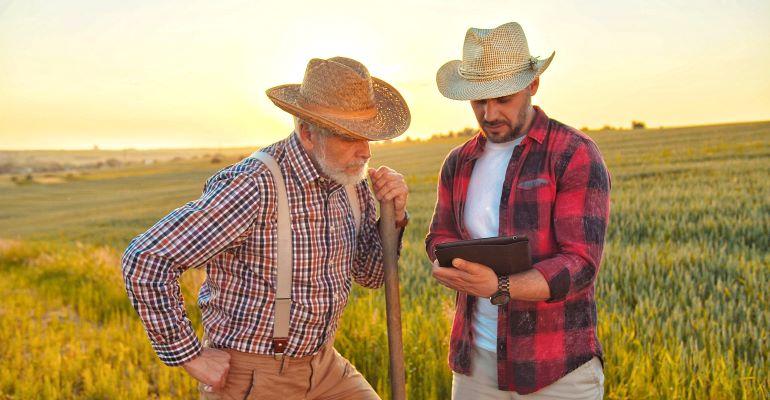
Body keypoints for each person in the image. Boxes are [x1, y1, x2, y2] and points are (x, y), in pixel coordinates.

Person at [122, 56, 411, 400]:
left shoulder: (350, 181)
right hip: (255, 374)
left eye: (368, 137)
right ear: (307, 132)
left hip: (325, 367)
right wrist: (189, 355)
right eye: (350, 137)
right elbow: (146, 258)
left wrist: (393, 218)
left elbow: (371, 275)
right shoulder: (255, 186)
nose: (365, 152)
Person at [426, 22, 611, 399]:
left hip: (558, 371)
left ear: (532, 86)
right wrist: (448, 263)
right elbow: (439, 235)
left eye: (503, 98)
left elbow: (580, 264)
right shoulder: (458, 161)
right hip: (475, 366)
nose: (489, 113)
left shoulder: (573, 153)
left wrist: (499, 286)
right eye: (479, 100)